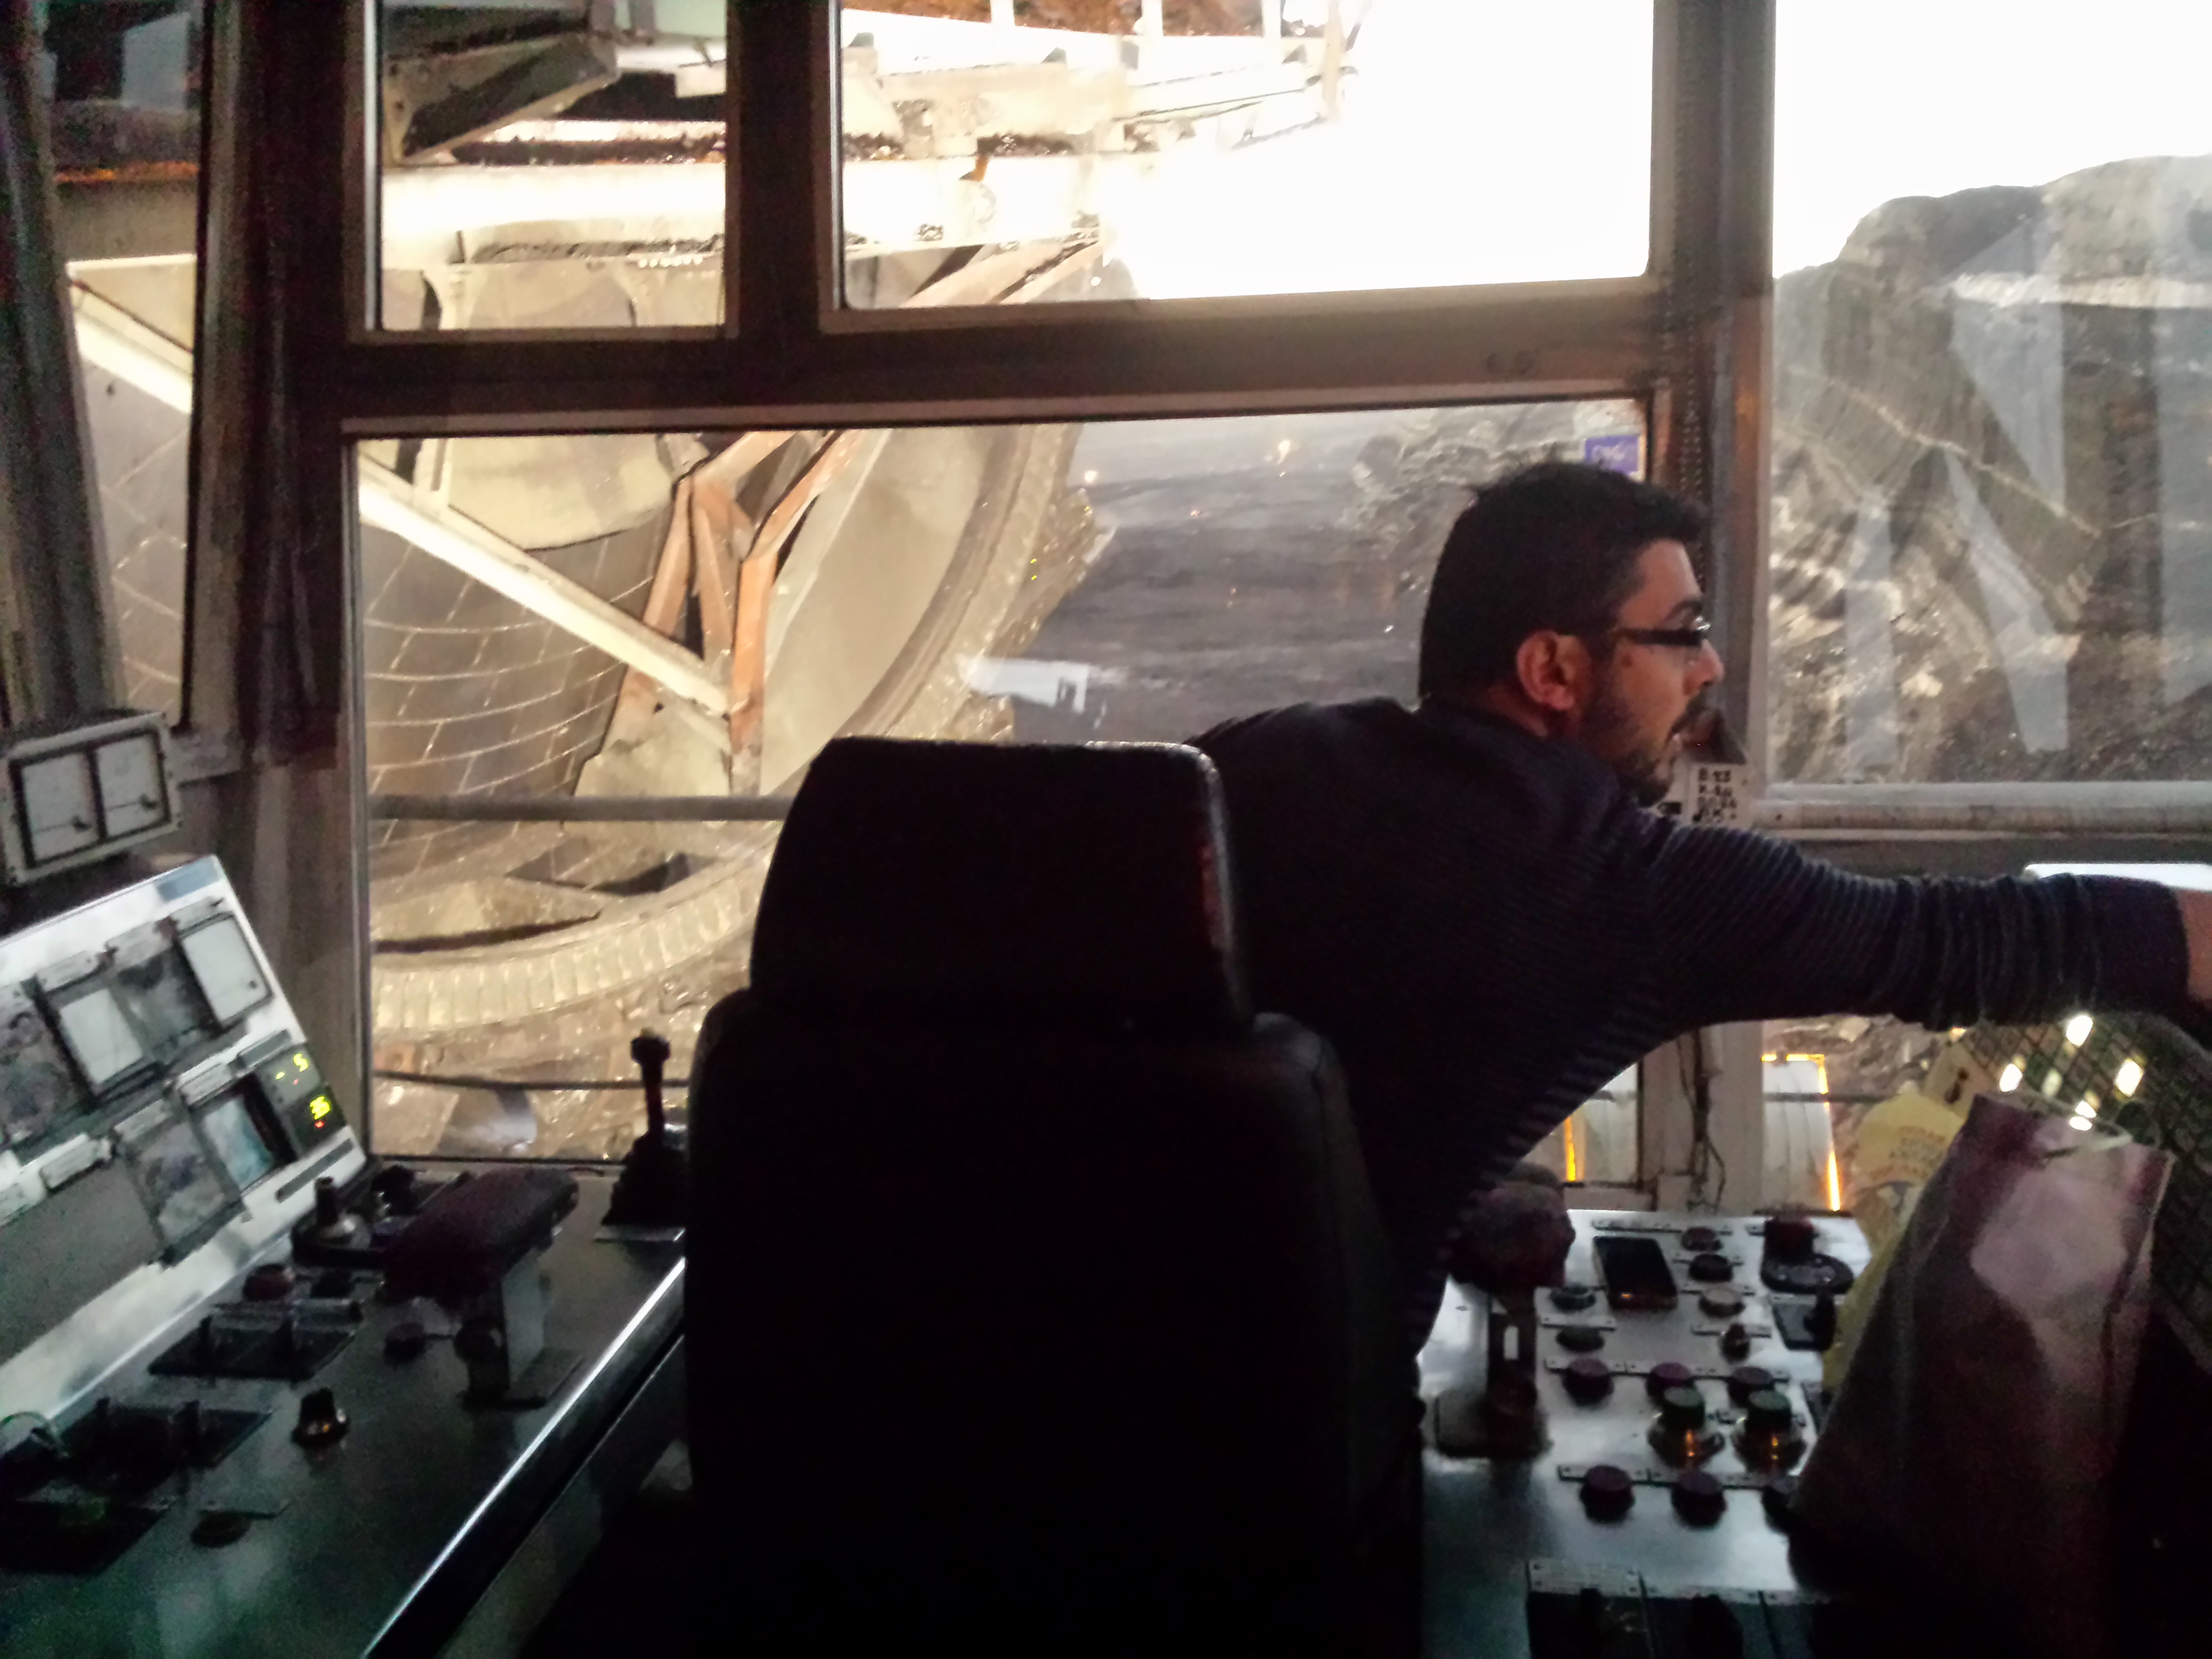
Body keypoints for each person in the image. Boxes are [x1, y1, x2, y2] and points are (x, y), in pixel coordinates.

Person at [1193, 460, 2212, 1342]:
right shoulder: (1630, 887)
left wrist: (1454, 1185)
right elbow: (1965, 942)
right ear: (1553, 669)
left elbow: (1327, 1072)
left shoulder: (1252, 761)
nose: (1710, 669)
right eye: (1682, 634)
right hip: (1305, 1461)